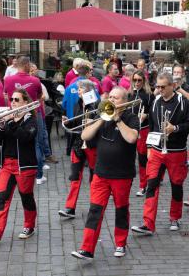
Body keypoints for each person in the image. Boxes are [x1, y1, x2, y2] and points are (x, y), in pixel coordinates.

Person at [71, 87, 139, 260]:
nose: (112, 101)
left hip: (122, 175)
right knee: (95, 210)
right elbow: (85, 136)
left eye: (116, 98)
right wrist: (101, 120)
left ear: (124, 101)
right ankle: (87, 248)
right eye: (110, 98)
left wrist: (117, 119)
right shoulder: (101, 115)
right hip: (101, 173)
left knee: (121, 209)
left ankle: (120, 244)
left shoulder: (131, 118)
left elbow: (132, 138)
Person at [131, 72, 189, 234]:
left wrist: (175, 128)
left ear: (172, 86)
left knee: (176, 186)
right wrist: (149, 148)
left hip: (176, 152)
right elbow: (153, 128)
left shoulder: (183, 103)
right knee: (151, 185)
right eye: (157, 87)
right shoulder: (155, 102)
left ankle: (174, 217)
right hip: (156, 151)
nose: (159, 90)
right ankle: (148, 223)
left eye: (163, 87)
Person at [0, 88, 39, 244]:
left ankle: (29, 226)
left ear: (26, 102)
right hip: (7, 165)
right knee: (2, 198)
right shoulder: (7, 120)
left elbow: (26, 137)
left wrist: (12, 123)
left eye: (16, 100)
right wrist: (1, 126)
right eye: (11, 99)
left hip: (24, 166)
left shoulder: (31, 121)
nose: (12, 102)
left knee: (26, 197)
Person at [59, 80, 100, 219]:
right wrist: (67, 122)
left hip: (92, 144)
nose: (78, 91)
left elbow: (99, 125)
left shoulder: (95, 105)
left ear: (88, 90)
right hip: (78, 144)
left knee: (94, 178)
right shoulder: (78, 103)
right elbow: (76, 124)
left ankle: (95, 206)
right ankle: (70, 208)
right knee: (75, 176)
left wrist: (92, 120)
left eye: (80, 89)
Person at [4, 56, 46, 185]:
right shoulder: (35, 80)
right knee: (36, 144)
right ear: (27, 65)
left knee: (15, 142)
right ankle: (38, 176)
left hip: (14, 113)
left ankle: (18, 171)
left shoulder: (7, 79)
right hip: (32, 114)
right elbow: (40, 97)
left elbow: (6, 96)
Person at [128, 70, 154, 197]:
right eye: (135, 80)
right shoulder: (129, 94)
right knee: (127, 157)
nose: (137, 83)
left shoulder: (148, 95)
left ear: (144, 81)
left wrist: (146, 115)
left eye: (139, 80)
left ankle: (143, 185)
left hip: (143, 129)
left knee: (142, 159)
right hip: (129, 129)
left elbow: (154, 114)